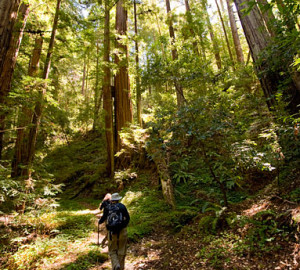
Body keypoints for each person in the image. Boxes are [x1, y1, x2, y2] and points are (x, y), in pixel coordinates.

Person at [99, 192, 130, 270]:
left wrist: (100, 222)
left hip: (111, 232)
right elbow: (128, 218)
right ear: (118, 199)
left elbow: (103, 218)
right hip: (122, 230)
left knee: (112, 250)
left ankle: (116, 265)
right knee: (122, 249)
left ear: (111, 200)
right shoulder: (122, 206)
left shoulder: (107, 208)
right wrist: (123, 225)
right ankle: (121, 267)